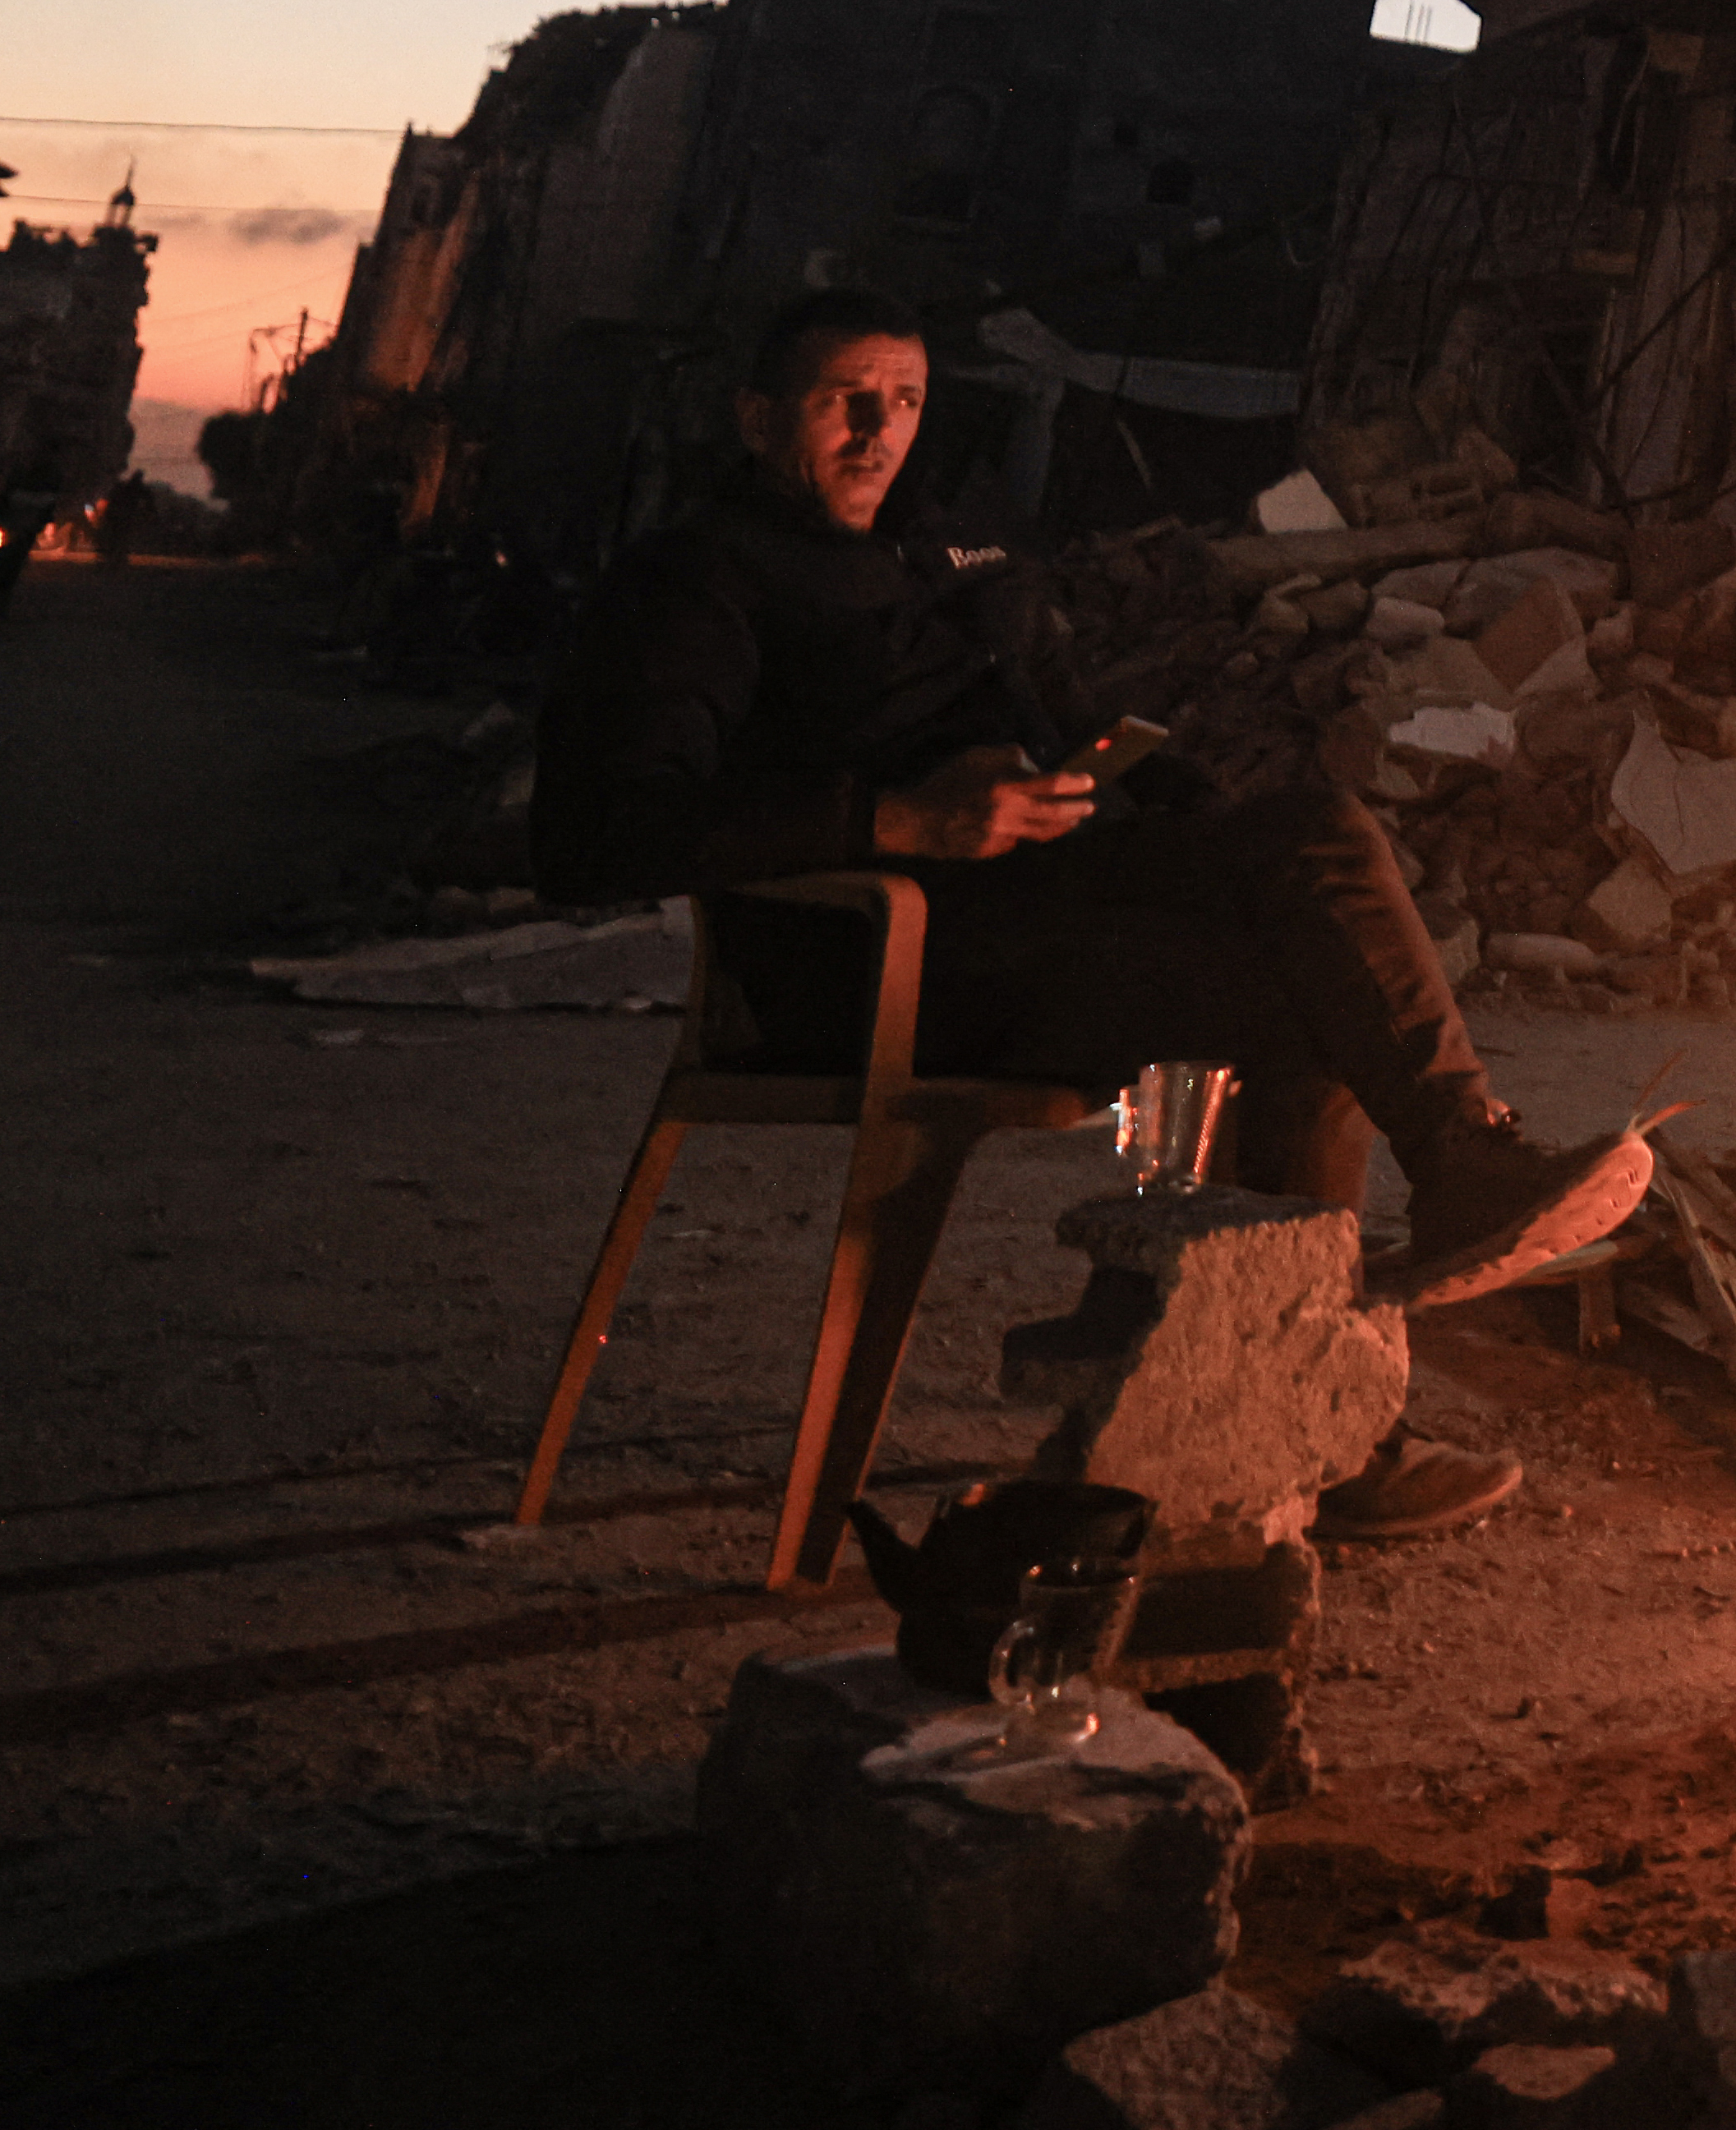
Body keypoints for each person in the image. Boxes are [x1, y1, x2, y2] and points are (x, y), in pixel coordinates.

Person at [530, 291, 1654, 1542]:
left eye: (902, 398)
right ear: (756, 416)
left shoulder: (951, 551)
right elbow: (597, 832)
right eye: (841, 398)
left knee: (1315, 840)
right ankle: (1341, 1430)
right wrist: (894, 820)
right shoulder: (701, 578)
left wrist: (1148, 790)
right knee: (1308, 1007)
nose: (877, 428)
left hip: (1038, 913)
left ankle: (1454, 1171)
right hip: (871, 959)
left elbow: (1070, 715)